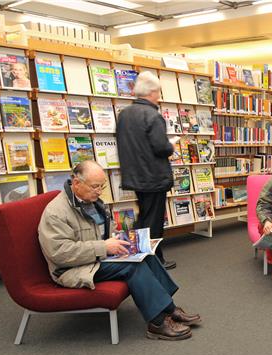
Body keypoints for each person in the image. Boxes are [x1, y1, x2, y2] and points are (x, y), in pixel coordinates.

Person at [37, 161, 201, 341]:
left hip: (98, 258)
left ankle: (169, 309)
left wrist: (120, 240)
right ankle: (157, 322)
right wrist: (104, 247)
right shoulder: (56, 213)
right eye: (95, 186)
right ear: (76, 183)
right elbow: (60, 253)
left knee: (147, 255)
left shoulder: (91, 201)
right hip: (73, 269)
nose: (99, 191)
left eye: (102, 186)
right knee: (133, 267)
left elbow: (105, 229)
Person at [116, 71, 176, 270]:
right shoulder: (152, 115)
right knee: (154, 220)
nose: (158, 95)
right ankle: (153, 260)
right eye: (158, 91)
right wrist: (172, 146)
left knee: (144, 217)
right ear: (152, 92)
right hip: (154, 177)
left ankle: (143, 254)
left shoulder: (124, 114)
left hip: (135, 176)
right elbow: (161, 148)